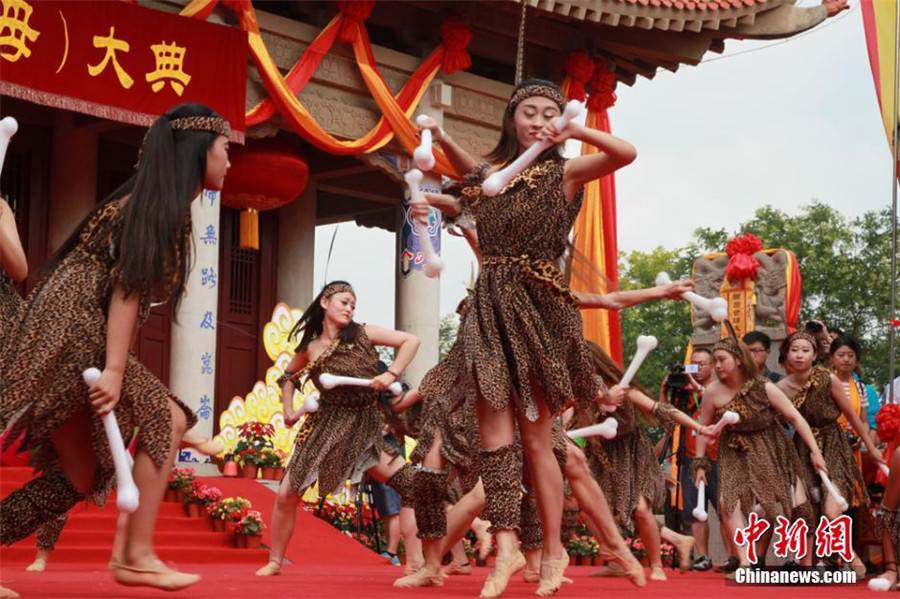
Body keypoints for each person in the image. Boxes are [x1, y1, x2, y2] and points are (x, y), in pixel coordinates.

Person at [415, 77, 638, 597]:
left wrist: (578, 129)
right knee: (495, 441)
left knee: (540, 441)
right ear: (511, 118)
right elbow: (468, 179)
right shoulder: (490, 176)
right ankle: (508, 545)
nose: (538, 121)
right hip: (490, 308)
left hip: (537, 311)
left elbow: (626, 153)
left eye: (548, 114)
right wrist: (434, 163)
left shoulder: (565, 171)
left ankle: (556, 550)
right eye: (529, 112)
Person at [0, 104, 231, 592]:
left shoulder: (157, 204)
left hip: (70, 329)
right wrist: (115, 369)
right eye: (225, 150)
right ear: (198, 151)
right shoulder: (157, 208)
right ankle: (135, 555)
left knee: (81, 476)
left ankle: (135, 554)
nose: (230, 162)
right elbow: (126, 289)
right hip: (73, 331)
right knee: (168, 418)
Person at [255, 282, 421, 577]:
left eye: (353, 305)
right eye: (344, 302)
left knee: (412, 485)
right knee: (286, 494)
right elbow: (288, 377)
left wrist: (391, 373)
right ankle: (275, 561)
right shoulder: (310, 348)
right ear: (325, 303)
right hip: (326, 427)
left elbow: (410, 341)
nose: (349, 308)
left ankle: (418, 564)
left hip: (365, 425)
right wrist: (288, 410)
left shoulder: (363, 334)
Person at [693, 330, 826, 576]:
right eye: (715, 361)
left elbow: (795, 418)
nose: (717, 365)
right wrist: (700, 462)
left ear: (739, 360)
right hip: (734, 449)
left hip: (771, 446)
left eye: (722, 359)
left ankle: (805, 564)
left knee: (799, 506)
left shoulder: (764, 387)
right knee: (727, 503)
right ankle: (746, 563)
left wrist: (815, 453)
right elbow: (703, 430)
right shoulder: (712, 392)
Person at [777, 331, 884, 575]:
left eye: (806, 350)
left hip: (834, 444)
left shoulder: (828, 379)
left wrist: (872, 448)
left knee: (832, 509)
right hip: (801, 449)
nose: (800, 355)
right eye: (794, 350)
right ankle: (809, 564)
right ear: (786, 355)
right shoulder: (780, 388)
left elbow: (855, 419)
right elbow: (777, 425)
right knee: (803, 508)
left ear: (815, 355)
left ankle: (851, 557)